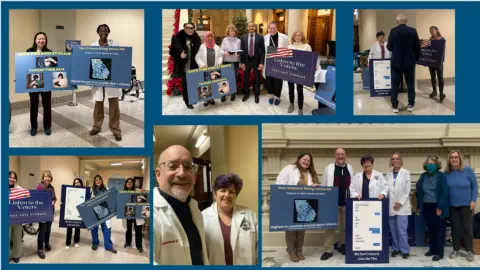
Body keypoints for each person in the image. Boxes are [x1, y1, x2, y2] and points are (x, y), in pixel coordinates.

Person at [154, 145, 209, 265]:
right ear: (158, 174)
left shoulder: (194, 208)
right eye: (172, 166)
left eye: (188, 166)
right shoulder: (150, 213)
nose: (182, 174)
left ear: (194, 176)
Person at [202, 174, 258, 265]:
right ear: (215, 194)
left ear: (236, 195)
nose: (227, 195)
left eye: (231, 192)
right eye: (223, 190)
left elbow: (258, 248)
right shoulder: (203, 217)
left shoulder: (250, 215)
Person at [276, 153, 319, 262]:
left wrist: (314, 186)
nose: (306, 162)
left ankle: (299, 250)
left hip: (304, 203)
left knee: (301, 229)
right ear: (299, 159)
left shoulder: (311, 173)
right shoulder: (289, 169)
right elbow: (279, 183)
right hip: (290, 201)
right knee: (291, 228)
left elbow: (313, 189)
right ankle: (291, 251)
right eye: (304, 159)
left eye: (308, 161)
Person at [89, 24, 122, 141]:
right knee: (98, 105)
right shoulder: (93, 45)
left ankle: (116, 129)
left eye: (106, 31)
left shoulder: (115, 44)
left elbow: (120, 59)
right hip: (98, 79)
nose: (104, 33)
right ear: (97, 32)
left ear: (109, 32)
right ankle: (97, 127)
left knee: (114, 106)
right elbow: (89, 61)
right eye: (101, 31)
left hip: (111, 78)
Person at [321, 148, 354, 261]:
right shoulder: (328, 168)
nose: (340, 156)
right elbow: (324, 185)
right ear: (335, 156)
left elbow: (353, 186)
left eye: (342, 154)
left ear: (346, 156)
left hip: (346, 202)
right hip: (332, 203)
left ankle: (342, 245)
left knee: (344, 227)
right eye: (338, 154)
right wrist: (325, 201)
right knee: (330, 227)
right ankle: (328, 250)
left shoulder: (350, 168)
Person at [445, 150, 478, 262]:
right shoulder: (447, 173)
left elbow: (475, 186)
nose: (454, 159)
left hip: (466, 205)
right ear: (449, 160)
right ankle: (456, 249)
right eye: (452, 157)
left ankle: (469, 251)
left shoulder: (467, 170)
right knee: (455, 229)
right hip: (452, 205)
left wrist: (473, 200)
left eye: (456, 157)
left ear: (460, 159)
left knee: (467, 228)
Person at [416, 156, 449, 261]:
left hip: (437, 206)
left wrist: (440, 206)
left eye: (433, 163)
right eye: (429, 163)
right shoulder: (423, 176)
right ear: (426, 165)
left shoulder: (441, 176)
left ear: (437, 165)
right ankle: (432, 249)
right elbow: (419, 190)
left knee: (439, 230)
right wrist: (418, 206)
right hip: (426, 206)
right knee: (430, 229)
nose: (431, 165)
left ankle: (439, 253)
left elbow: (445, 192)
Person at [387, 13, 421, 113]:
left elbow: (389, 47)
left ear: (397, 22)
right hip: (410, 62)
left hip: (396, 62)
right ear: (406, 21)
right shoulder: (413, 31)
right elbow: (417, 47)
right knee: (410, 83)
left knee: (394, 84)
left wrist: (396, 50)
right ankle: (410, 104)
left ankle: (394, 105)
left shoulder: (393, 31)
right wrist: (416, 59)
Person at [170, 22, 202, 109]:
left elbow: (200, 50)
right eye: (188, 28)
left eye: (192, 28)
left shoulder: (196, 38)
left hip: (194, 64)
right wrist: (179, 54)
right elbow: (172, 51)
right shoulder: (177, 37)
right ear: (184, 28)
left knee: (193, 83)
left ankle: (192, 98)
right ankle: (187, 101)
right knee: (186, 84)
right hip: (184, 65)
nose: (190, 30)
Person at [386, 153, 411, 259]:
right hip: (391, 206)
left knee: (402, 230)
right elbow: (386, 189)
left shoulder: (406, 173)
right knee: (393, 229)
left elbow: (407, 189)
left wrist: (400, 202)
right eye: (393, 159)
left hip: (402, 206)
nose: (395, 160)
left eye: (397, 159)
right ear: (391, 161)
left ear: (401, 160)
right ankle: (396, 249)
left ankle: (405, 250)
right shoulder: (388, 174)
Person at [27, 32, 52, 136]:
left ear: (46, 41)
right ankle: (33, 127)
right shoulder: (29, 51)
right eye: (39, 38)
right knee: (33, 105)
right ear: (35, 40)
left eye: (43, 39)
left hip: (46, 82)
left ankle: (47, 126)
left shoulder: (49, 52)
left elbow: (53, 68)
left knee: (47, 105)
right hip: (33, 80)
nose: (41, 41)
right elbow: (24, 66)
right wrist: (18, 78)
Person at [287, 30, 312, 115]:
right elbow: (286, 59)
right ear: (293, 37)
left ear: (302, 37)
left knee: (299, 90)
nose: (297, 37)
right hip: (291, 71)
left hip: (301, 72)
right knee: (291, 88)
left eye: (299, 35)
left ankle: (300, 108)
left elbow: (310, 60)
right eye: (296, 35)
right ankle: (291, 104)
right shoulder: (289, 46)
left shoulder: (307, 46)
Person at [90, 175, 117, 253]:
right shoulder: (92, 191)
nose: (98, 181)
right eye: (96, 180)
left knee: (107, 229)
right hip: (94, 212)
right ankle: (95, 243)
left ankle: (108, 246)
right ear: (94, 182)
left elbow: (111, 201)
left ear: (101, 180)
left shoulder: (107, 189)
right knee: (94, 229)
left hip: (105, 212)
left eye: (99, 179)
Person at [264, 21, 289, 106]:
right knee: (269, 80)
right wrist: (277, 51)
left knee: (278, 81)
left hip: (279, 63)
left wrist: (273, 51)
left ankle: (277, 97)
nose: (272, 30)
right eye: (270, 28)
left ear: (277, 28)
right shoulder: (265, 37)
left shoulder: (284, 37)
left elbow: (287, 50)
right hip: (269, 62)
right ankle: (270, 96)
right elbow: (265, 51)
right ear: (268, 28)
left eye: (274, 28)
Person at [195, 31, 223, 107]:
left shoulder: (217, 46)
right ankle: (205, 100)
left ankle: (211, 98)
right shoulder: (202, 46)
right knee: (205, 84)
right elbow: (197, 57)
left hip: (214, 69)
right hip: (205, 69)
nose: (210, 38)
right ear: (205, 38)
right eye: (208, 36)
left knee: (213, 84)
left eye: (211, 36)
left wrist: (219, 63)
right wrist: (202, 65)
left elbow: (220, 56)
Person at [240, 22, 265, 104]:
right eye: (249, 26)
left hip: (256, 60)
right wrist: (242, 62)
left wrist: (261, 63)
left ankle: (256, 94)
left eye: (252, 26)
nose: (251, 27)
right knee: (246, 78)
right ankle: (246, 93)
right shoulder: (243, 37)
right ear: (248, 27)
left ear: (255, 27)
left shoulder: (260, 37)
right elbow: (242, 51)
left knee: (257, 78)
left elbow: (263, 51)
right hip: (246, 61)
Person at [36, 170, 57, 259]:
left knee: (48, 228)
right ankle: (40, 249)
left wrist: (53, 201)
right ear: (43, 178)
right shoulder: (40, 187)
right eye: (46, 176)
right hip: (42, 212)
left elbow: (55, 198)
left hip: (50, 211)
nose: (47, 178)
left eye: (49, 176)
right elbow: (36, 199)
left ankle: (47, 243)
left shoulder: (52, 188)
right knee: (42, 230)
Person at [123, 177, 145, 253]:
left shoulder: (137, 191)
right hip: (128, 212)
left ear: (133, 184)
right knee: (128, 229)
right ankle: (128, 242)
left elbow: (144, 198)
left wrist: (143, 192)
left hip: (137, 213)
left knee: (138, 230)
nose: (129, 183)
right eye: (128, 182)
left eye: (131, 182)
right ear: (125, 184)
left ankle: (139, 246)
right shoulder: (123, 192)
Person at [220, 24, 241, 102]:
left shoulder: (238, 41)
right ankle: (223, 94)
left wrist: (238, 54)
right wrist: (225, 53)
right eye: (230, 31)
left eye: (233, 31)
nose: (232, 32)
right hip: (226, 62)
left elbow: (239, 51)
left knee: (233, 78)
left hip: (235, 62)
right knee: (225, 79)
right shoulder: (225, 40)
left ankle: (233, 93)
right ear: (228, 32)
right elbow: (221, 50)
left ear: (235, 32)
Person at [426, 26, 446, 102]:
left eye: (432, 30)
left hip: (439, 62)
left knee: (440, 77)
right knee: (432, 76)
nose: (431, 32)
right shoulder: (430, 39)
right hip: (431, 61)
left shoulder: (442, 39)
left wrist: (441, 60)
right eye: (430, 31)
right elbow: (428, 50)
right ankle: (434, 91)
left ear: (437, 30)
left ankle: (441, 93)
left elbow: (442, 51)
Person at [9, 171, 23, 263]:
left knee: (17, 236)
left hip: (17, 217)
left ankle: (16, 254)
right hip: (5, 217)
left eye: (14, 178)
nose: (12, 179)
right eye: (10, 177)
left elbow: (26, 201)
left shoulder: (19, 189)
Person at [66, 178, 84, 249]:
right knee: (69, 227)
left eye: (78, 182)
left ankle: (76, 241)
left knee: (77, 227)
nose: (76, 184)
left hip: (78, 212)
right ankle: (68, 243)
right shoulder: (70, 191)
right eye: (75, 183)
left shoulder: (84, 191)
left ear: (81, 183)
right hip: (71, 211)